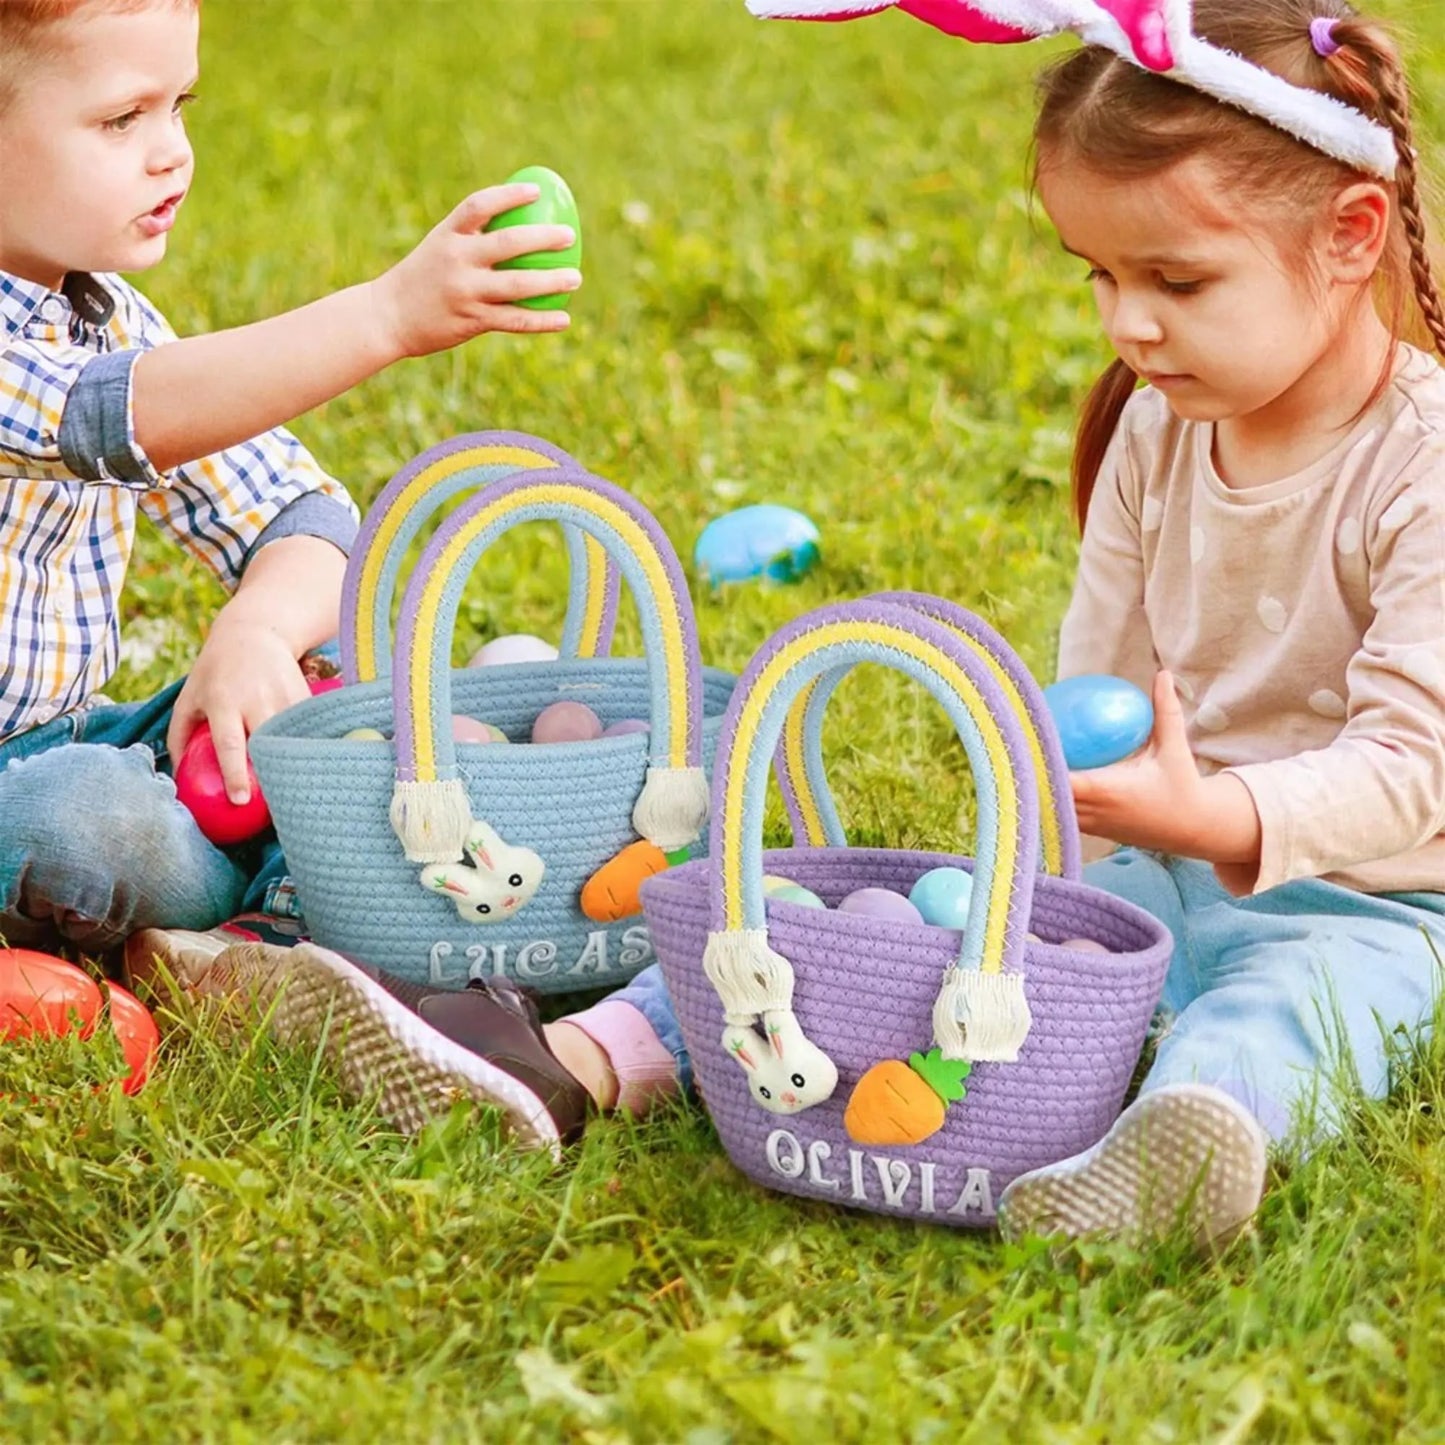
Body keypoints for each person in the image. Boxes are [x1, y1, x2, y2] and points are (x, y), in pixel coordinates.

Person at [138, 0, 1445, 1249]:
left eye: (1175, 279)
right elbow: (1089, 691)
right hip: (1148, 865)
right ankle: (578, 1061)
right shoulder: (1163, 424)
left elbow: (1413, 772)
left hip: (1369, 902)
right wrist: (1053, 846)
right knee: (859, 930)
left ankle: (1172, 1147)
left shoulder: (1418, 463)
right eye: (1098, 274)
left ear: (1349, 233)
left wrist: (1207, 818)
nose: (1126, 324)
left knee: (1287, 1008)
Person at [0, 0, 581, 955]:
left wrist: (258, 629)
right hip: (45, 792)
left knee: (339, 690)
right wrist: (385, 317)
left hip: (77, 734)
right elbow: (111, 413)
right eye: (121, 120)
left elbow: (303, 515)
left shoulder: (110, 314)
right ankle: (295, 899)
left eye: (179, 105)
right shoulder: (109, 371)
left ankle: (272, 916)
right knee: (82, 816)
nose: (171, 152)